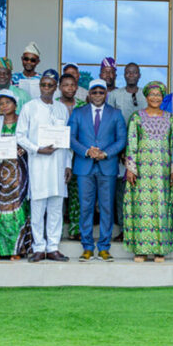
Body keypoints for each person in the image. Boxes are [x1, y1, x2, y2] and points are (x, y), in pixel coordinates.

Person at [16, 69, 72, 263]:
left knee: (56, 207)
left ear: (56, 87)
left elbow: (66, 139)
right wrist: (37, 149)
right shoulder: (29, 108)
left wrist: (68, 165)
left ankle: (53, 247)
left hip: (57, 166)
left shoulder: (61, 109)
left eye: (50, 85)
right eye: (43, 85)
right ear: (40, 86)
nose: (46, 88)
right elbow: (20, 136)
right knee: (38, 208)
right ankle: (39, 247)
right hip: (39, 164)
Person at [69, 78, 126, 262]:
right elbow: (70, 138)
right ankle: (87, 247)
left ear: (106, 94)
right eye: (94, 92)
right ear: (89, 94)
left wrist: (106, 153)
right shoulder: (78, 113)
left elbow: (121, 140)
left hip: (107, 166)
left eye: (101, 92)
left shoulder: (116, 114)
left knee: (106, 208)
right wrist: (86, 151)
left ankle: (103, 247)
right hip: (84, 166)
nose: (98, 95)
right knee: (86, 208)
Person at [123, 81, 173, 262]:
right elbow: (131, 143)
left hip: (163, 170)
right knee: (142, 208)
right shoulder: (136, 117)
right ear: (146, 97)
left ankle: (160, 250)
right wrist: (131, 169)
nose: (155, 98)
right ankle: (141, 250)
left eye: (159, 95)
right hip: (142, 171)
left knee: (161, 207)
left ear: (163, 97)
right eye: (152, 95)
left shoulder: (170, 118)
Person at [0, 89, 32, 261]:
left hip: (19, 171)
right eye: (0, 104)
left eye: (7, 103)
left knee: (17, 210)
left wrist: (24, 148)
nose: (4, 106)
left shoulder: (23, 120)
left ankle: (17, 250)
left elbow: (31, 142)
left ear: (15, 104)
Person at [107, 62, 147, 238]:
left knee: (141, 190)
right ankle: (124, 228)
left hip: (145, 151)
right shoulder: (115, 95)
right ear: (124, 75)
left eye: (134, 72)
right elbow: (110, 123)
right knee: (122, 191)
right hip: (120, 150)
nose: (131, 75)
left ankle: (140, 227)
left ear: (139, 75)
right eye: (128, 72)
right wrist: (118, 150)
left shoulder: (146, 96)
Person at [57, 73, 87, 241]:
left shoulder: (83, 106)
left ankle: (76, 228)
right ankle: (57, 230)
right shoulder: (53, 106)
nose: (69, 88)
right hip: (58, 154)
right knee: (58, 193)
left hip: (80, 154)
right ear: (60, 87)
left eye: (72, 85)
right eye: (65, 85)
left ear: (77, 87)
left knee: (78, 193)